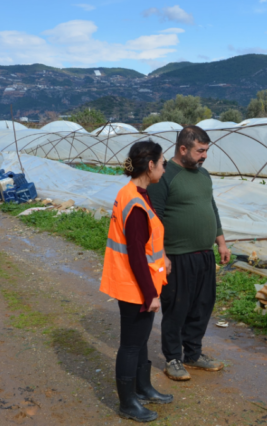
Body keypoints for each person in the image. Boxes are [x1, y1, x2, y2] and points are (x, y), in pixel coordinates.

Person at [147, 125, 231, 381]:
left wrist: (221, 242)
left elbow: (211, 207)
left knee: (202, 306)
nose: (204, 155)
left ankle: (193, 355)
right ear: (183, 149)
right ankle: (173, 358)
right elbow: (155, 217)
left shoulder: (203, 175)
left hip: (204, 255)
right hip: (177, 256)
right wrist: (162, 253)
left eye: (206, 150)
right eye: (200, 151)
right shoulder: (165, 175)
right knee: (177, 308)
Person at [100, 140, 173, 422]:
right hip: (134, 286)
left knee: (141, 340)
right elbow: (136, 254)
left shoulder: (136, 192)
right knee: (131, 344)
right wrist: (149, 295)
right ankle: (127, 402)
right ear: (151, 165)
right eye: (163, 164)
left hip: (138, 282)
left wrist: (162, 256)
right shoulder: (136, 202)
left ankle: (143, 387)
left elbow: (146, 243)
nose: (165, 169)